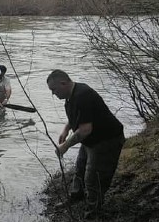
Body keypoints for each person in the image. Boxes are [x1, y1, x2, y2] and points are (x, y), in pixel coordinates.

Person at [46, 69, 125, 214]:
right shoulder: (70, 96)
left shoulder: (83, 95)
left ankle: (94, 210)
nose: (53, 93)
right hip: (90, 140)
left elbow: (85, 130)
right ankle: (77, 195)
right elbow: (76, 117)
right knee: (80, 169)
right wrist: (66, 129)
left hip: (106, 139)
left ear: (63, 83)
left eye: (54, 90)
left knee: (94, 178)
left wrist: (65, 146)